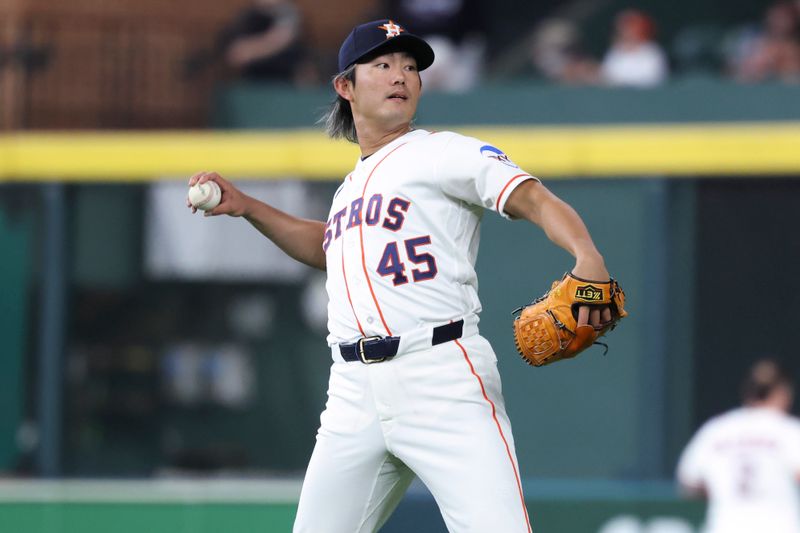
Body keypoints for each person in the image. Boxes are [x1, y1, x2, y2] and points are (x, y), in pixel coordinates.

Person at [188, 19, 615, 532]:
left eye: (411, 67)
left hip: (440, 374)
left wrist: (587, 256)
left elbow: (533, 198)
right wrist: (248, 206)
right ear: (345, 86)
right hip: (352, 391)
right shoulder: (351, 188)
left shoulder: (443, 152)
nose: (401, 76)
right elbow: (331, 249)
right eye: (384, 64)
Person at [676, 359, 800, 533]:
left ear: (748, 393)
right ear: (783, 394)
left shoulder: (716, 430)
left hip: (726, 526)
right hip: (778, 526)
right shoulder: (789, 431)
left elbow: (689, 482)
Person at [599, 9, 669, 87]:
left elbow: (654, 79)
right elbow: (608, 78)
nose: (625, 31)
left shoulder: (653, 51)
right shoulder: (614, 51)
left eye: (629, 27)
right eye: (623, 27)